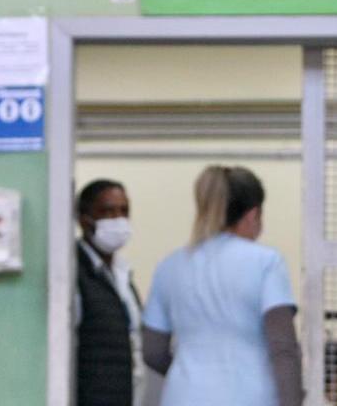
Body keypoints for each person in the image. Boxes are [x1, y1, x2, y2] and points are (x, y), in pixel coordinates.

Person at [141, 166, 303, 406]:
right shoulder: (266, 262)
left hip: (183, 396)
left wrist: (194, 376)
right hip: (250, 397)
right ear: (253, 215)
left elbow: (153, 351)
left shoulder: (169, 266)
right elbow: (283, 348)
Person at [75, 179, 143, 406]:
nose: (119, 220)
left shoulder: (122, 274)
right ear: (85, 219)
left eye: (124, 211)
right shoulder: (75, 271)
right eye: (108, 212)